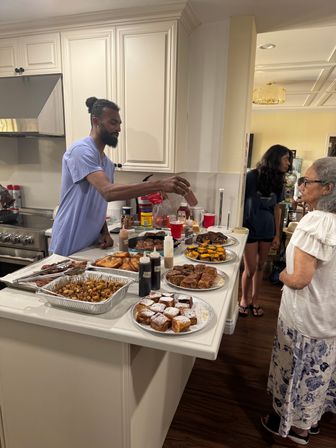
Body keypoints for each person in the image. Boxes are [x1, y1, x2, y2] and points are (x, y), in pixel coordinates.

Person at [50, 97, 191, 256]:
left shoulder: (107, 164)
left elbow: (98, 201)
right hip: (68, 243)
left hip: (88, 246)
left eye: (119, 124)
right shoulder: (81, 151)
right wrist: (159, 184)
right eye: (113, 122)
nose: (118, 129)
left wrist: (104, 232)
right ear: (96, 121)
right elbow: (108, 192)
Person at [261, 157, 336, 445]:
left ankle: (295, 428)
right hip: (327, 318)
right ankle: (310, 422)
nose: (301, 185)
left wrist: (281, 276)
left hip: (305, 318)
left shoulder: (316, 222)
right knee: (318, 374)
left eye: (308, 181)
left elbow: (300, 278)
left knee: (296, 372)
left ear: (328, 188)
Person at [239, 145, 292, 317]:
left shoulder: (279, 180)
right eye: (286, 159)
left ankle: (255, 300)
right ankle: (243, 300)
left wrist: (277, 233)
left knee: (261, 266)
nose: (289, 163)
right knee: (250, 268)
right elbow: (240, 203)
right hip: (250, 228)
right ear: (275, 158)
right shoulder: (251, 177)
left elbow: (277, 209)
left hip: (268, 229)